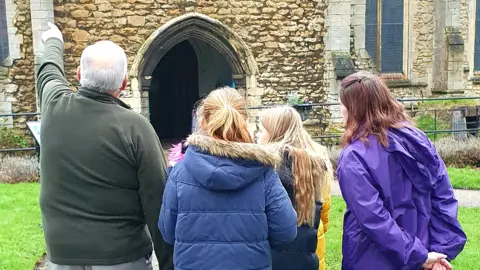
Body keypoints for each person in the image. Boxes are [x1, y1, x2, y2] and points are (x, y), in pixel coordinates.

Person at [37, 23, 173, 269]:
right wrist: (169, 263)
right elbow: (158, 201)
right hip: (122, 256)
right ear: (122, 84)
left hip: (63, 254)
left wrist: (54, 41)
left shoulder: (54, 107)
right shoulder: (137, 128)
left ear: (78, 75)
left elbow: (48, 72)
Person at [337, 72, 467, 270]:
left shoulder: (354, 157)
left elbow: (374, 219)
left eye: (343, 106)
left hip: (374, 258)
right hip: (417, 252)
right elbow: (443, 197)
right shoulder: (418, 139)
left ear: (354, 110)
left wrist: (429, 256)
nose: (341, 112)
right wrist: (432, 253)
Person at [159, 87, 298, 270]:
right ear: (245, 122)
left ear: (202, 121)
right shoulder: (263, 173)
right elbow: (286, 231)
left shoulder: (181, 172)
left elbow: (167, 232)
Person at [257, 106, 333, 270]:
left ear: (275, 132)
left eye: (261, 130)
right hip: (306, 256)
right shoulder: (316, 165)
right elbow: (324, 212)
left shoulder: (265, 167)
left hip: (271, 258)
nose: (257, 135)